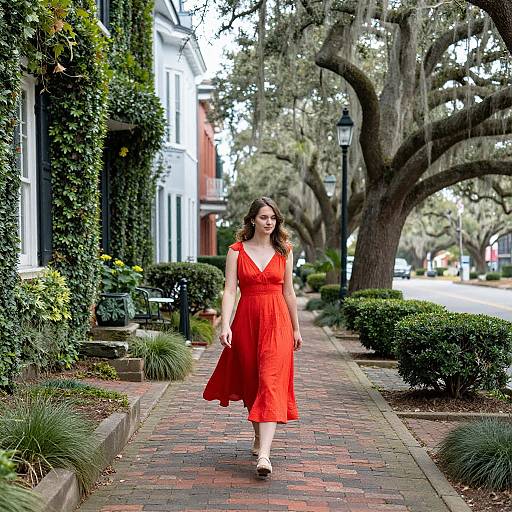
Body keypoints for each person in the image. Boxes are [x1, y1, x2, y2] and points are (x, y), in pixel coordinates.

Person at [203, 197, 302, 477]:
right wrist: (225, 325)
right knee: (252, 381)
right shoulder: (236, 251)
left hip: (277, 322)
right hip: (246, 320)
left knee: (270, 381)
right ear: (252, 220)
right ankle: (258, 437)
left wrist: (296, 328)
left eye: (273, 218)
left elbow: (289, 292)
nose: (269, 222)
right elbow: (230, 291)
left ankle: (265, 457)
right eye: (263, 217)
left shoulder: (285, 251)